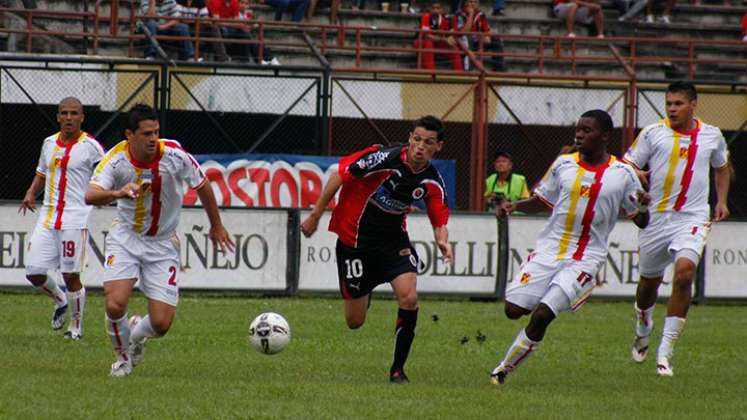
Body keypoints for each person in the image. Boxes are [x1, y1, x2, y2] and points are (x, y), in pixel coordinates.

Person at [489, 110, 651, 385]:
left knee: (542, 315)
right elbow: (542, 200)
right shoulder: (563, 164)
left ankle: (502, 370)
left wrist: (644, 205)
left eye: (587, 130)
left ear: (604, 136)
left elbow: (642, 220)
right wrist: (512, 206)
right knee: (513, 310)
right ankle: (544, 297)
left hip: (586, 258)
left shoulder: (623, 174)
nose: (579, 134)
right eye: (578, 129)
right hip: (549, 249)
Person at [300, 115, 453, 384]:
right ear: (409, 138)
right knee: (354, 321)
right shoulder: (383, 158)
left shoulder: (432, 181)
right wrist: (315, 215)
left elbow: (439, 218)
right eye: (416, 139)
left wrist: (442, 239)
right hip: (354, 243)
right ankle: (365, 291)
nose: (420, 146)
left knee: (409, 298)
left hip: (393, 243)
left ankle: (397, 370)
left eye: (428, 143)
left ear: (438, 147)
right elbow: (339, 175)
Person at [85, 103, 235, 377]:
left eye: (155, 132)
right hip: (126, 238)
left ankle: (137, 335)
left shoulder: (175, 155)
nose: (153, 138)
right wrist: (119, 192)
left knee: (162, 324)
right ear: (129, 135)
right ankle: (122, 359)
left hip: (163, 243)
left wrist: (216, 226)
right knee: (114, 303)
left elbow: (202, 185)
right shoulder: (115, 160)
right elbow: (90, 195)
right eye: (146, 133)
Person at [623, 82, 730, 377]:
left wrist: (721, 201)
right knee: (648, 285)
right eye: (669, 103)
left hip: (692, 217)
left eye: (678, 103)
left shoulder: (712, 135)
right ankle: (643, 325)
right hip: (656, 219)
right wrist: (637, 174)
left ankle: (665, 354)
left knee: (684, 275)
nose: (672, 108)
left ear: (693, 104)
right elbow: (627, 165)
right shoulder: (653, 133)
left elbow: (722, 167)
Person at [19, 97, 105, 341]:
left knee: (71, 275)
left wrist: (105, 195)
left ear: (82, 117)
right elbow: (42, 173)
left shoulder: (91, 147)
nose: (69, 117)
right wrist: (30, 192)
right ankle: (60, 299)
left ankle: (75, 329)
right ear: (58, 117)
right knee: (33, 272)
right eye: (64, 113)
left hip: (75, 218)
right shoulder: (48, 144)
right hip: (47, 217)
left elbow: (105, 175)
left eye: (74, 113)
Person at [208, 0, 280, 64]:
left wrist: (234, 23)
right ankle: (266, 58)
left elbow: (235, 21)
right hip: (216, 29)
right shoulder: (215, 1)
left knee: (245, 33)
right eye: (242, 3)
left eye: (246, 3)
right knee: (240, 31)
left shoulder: (235, 2)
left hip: (229, 27)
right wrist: (232, 22)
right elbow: (217, 22)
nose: (244, 5)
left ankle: (254, 59)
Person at [452, 0, 506, 71]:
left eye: (475, 2)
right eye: (470, 2)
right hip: (464, 42)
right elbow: (464, 32)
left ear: (478, 4)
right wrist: (471, 14)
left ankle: (499, 71)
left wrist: (487, 37)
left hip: (478, 41)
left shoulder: (480, 14)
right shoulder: (459, 14)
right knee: (469, 42)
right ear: (466, 3)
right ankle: (468, 71)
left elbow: (487, 31)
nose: (473, 4)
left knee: (496, 42)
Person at [414, 2, 463, 71]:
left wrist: (450, 38)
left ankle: (459, 73)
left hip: (439, 43)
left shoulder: (447, 19)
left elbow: (452, 34)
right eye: (433, 8)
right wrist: (444, 39)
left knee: (454, 48)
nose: (435, 10)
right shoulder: (426, 17)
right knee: (429, 44)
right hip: (423, 42)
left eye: (438, 8)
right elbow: (427, 35)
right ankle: (431, 72)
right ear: (430, 10)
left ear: (441, 10)